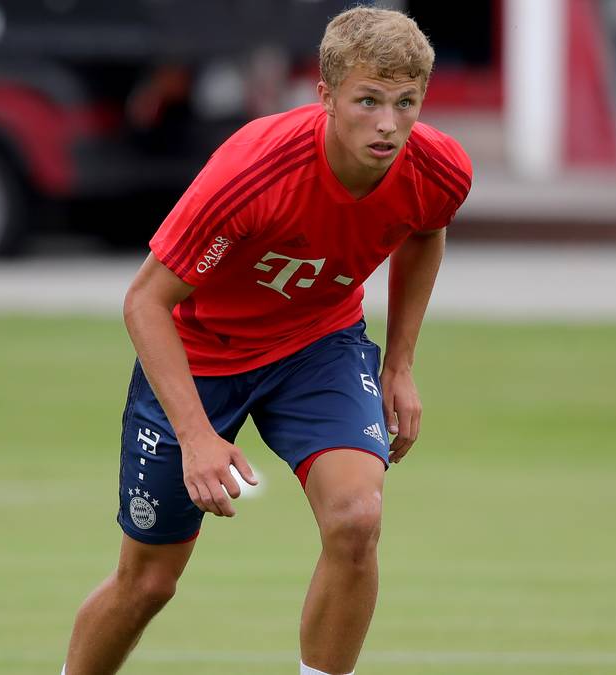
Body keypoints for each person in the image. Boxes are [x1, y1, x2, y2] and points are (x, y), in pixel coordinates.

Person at [61, 7, 471, 675]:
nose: (389, 124)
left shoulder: (439, 168)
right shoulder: (255, 171)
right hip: (201, 354)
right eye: (368, 101)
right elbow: (144, 302)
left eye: (406, 103)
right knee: (148, 583)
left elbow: (425, 229)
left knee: (357, 518)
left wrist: (399, 362)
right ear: (327, 96)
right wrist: (195, 435)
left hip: (318, 346)